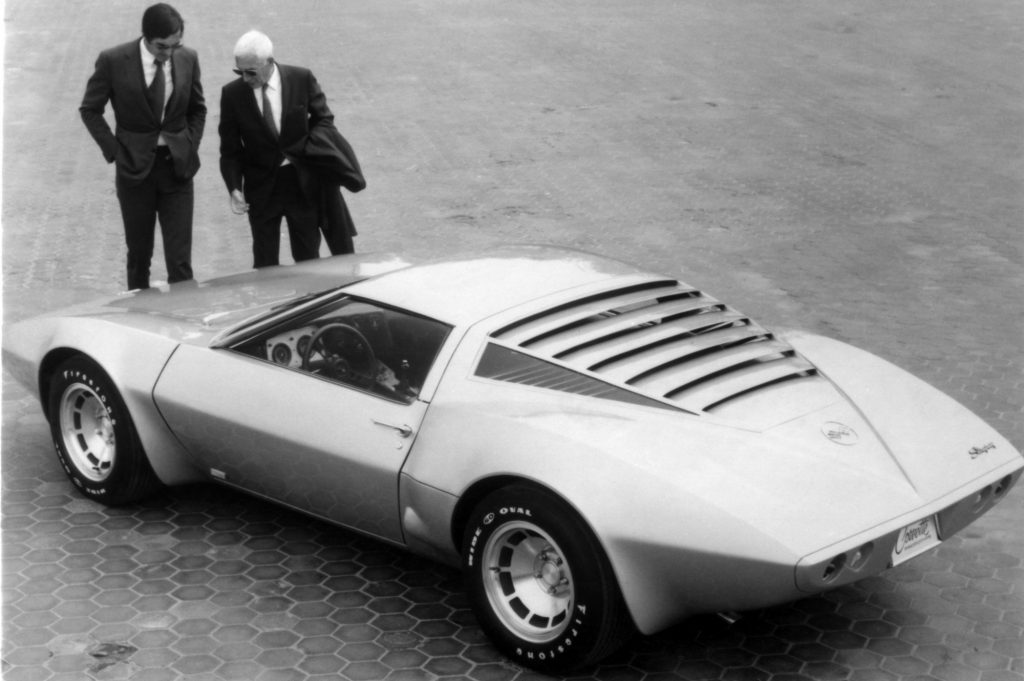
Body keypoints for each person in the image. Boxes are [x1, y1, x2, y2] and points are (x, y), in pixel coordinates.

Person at [80, 3, 206, 290]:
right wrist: (115, 151)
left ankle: (184, 322)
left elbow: (198, 109)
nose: (168, 54)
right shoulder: (113, 60)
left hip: (177, 170)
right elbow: (90, 109)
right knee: (139, 256)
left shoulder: (187, 58)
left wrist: (189, 144)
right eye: (162, 47)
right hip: (135, 172)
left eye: (175, 46)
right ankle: (138, 321)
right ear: (146, 38)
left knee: (180, 262)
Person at [219, 30, 365, 269]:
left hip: (301, 184)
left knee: (307, 256)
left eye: (250, 72)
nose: (245, 78)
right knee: (265, 261)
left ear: (268, 62)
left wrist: (306, 148)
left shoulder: (301, 79)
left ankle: (308, 302)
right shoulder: (232, 94)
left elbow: (324, 120)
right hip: (262, 188)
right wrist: (234, 187)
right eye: (239, 72)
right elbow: (230, 149)